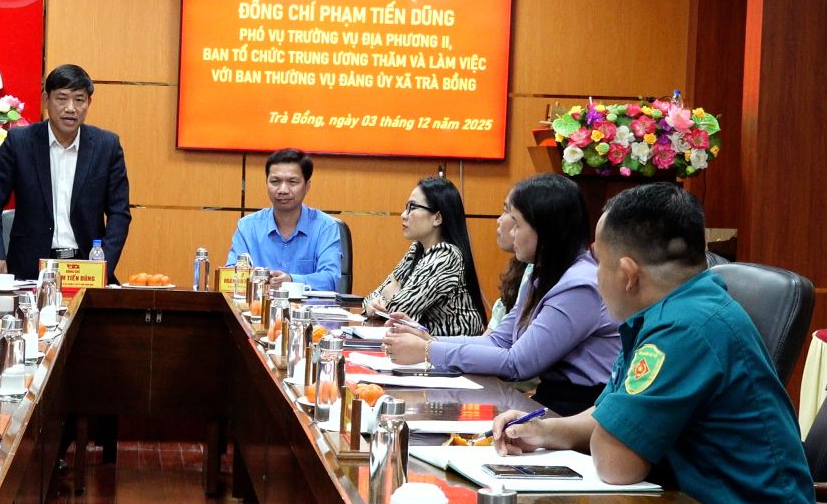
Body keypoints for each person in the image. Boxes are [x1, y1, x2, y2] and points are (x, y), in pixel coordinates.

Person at [491, 183, 827, 504]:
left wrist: (598, 428)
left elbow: (615, 464)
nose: (594, 276)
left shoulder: (684, 328)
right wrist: (544, 431)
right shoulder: (672, 311)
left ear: (627, 274)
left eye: (599, 263)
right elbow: (611, 413)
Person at [384, 174, 618, 416]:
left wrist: (428, 351)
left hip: (578, 410)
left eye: (517, 224)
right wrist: (430, 340)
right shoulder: (540, 274)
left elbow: (518, 363)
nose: (512, 233)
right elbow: (500, 340)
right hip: (551, 401)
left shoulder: (579, 285)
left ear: (544, 228)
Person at [0, 64, 131, 281]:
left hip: (86, 268)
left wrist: (104, 262)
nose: (71, 108)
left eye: (79, 100)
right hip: (28, 268)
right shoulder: (20, 142)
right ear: (46, 99)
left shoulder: (106, 146)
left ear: (88, 103)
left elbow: (119, 212)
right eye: (62, 98)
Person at [362, 177, 486, 337]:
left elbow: (398, 312)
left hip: (451, 348)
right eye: (406, 207)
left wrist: (389, 293)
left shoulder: (446, 256)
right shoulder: (417, 249)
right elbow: (368, 300)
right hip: (423, 345)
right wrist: (376, 302)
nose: (403, 215)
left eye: (413, 208)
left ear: (437, 218)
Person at [227, 148, 342, 291]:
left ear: (307, 186)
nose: (283, 190)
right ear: (266, 183)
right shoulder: (247, 227)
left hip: (308, 305)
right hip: (258, 304)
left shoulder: (325, 227)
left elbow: (331, 279)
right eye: (275, 181)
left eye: (292, 182)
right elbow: (231, 275)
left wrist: (292, 280)